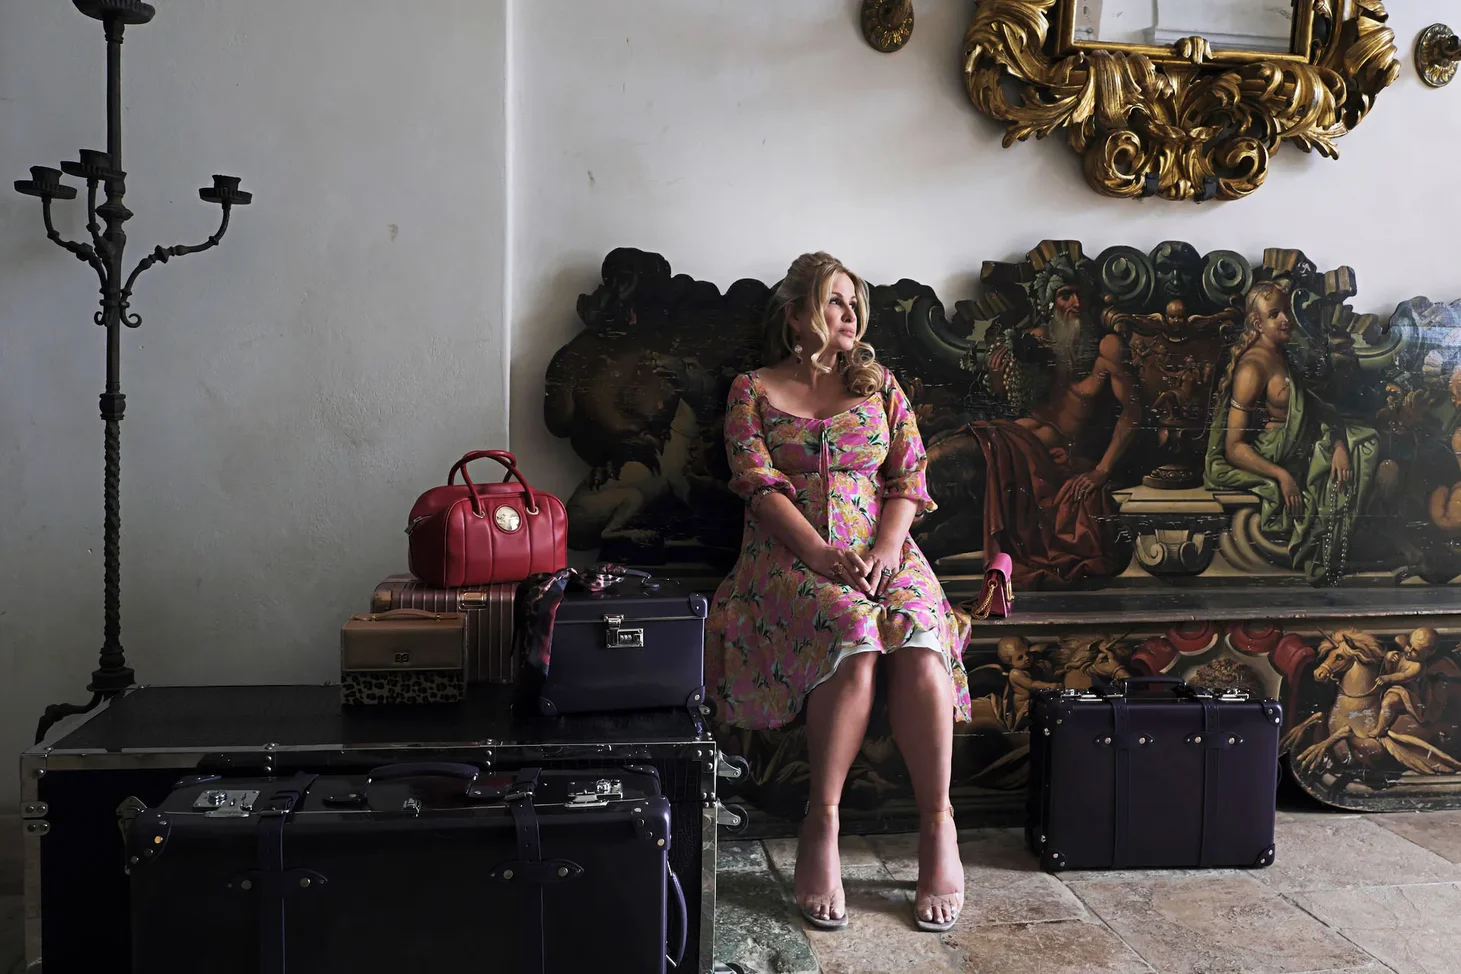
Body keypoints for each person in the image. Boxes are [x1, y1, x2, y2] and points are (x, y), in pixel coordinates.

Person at [703, 252, 972, 933]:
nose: (849, 314)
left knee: (919, 638)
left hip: (886, 549)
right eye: (833, 301)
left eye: (854, 302)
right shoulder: (750, 389)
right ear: (796, 315)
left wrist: (884, 550)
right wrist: (821, 554)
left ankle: (938, 823)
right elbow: (756, 485)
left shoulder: (881, 386)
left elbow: (908, 478)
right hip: (789, 555)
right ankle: (820, 821)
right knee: (855, 635)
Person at [1204, 281, 1379, 582]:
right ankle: (1334, 551)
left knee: (1363, 439)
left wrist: (1338, 444)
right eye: (1275, 314)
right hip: (1279, 455)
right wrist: (1282, 476)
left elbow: (1314, 410)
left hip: (1302, 443)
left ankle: (1348, 545)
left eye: (1286, 310)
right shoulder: (1252, 368)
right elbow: (1233, 447)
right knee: (1366, 444)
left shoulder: (1282, 355)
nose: (1286, 319)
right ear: (1257, 323)